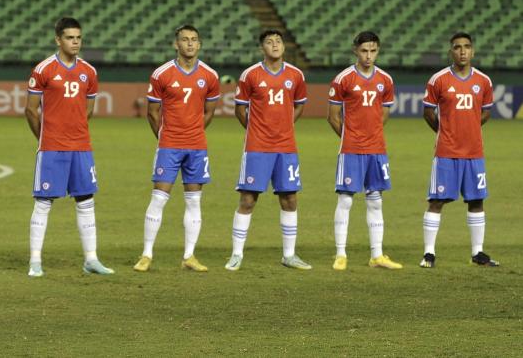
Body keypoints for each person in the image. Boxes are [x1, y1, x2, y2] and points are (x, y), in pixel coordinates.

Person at [24, 17, 114, 277]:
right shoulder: (43, 70)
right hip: (52, 147)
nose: (75, 42)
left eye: (78, 38)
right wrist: (46, 138)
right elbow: (31, 110)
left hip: (82, 147)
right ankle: (35, 261)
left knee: (86, 201)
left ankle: (91, 259)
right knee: (43, 202)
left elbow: (88, 109)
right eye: (69, 38)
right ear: (58, 40)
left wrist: (75, 130)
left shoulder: (89, 72)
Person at [133, 25, 220, 273]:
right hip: (169, 145)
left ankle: (189, 256)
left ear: (199, 44)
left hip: (197, 147)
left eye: (194, 40)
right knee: (159, 197)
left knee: (194, 201)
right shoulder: (162, 74)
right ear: (176, 44)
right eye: (184, 39)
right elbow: (152, 112)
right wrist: (165, 137)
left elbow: (209, 112)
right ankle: (147, 254)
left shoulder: (210, 76)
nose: (190, 44)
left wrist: (193, 132)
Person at [224, 30, 312, 271]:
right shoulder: (250, 75)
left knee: (290, 198)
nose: (275, 45)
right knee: (248, 199)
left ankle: (289, 255)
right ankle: (236, 254)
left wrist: (285, 126)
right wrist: (256, 130)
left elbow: (299, 104)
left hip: (286, 148)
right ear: (262, 48)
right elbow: (240, 110)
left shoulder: (295, 75)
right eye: (269, 42)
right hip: (257, 147)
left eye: (279, 41)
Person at [421, 33, 498, 268]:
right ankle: (429, 254)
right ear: (451, 52)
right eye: (457, 47)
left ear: (472, 51)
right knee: (437, 200)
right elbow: (428, 112)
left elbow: (485, 112)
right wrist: (445, 131)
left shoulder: (483, 81)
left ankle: (478, 253)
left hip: (474, 153)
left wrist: (471, 128)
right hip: (446, 153)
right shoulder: (439, 80)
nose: (462, 51)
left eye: (466, 47)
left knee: (476, 201)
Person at [327, 32, 402, 270]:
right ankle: (340, 254)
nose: (368, 56)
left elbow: (385, 113)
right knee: (346, 200)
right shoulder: (343, 79)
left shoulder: (385, 80)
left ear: (378, 51)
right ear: (355, 51)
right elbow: (333, 116)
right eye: (364, 51)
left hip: (377, 149)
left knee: (376, 201)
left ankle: (377, 255)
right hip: (351, 149)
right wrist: (351, 137)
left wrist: (371, 135)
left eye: (373, 51)